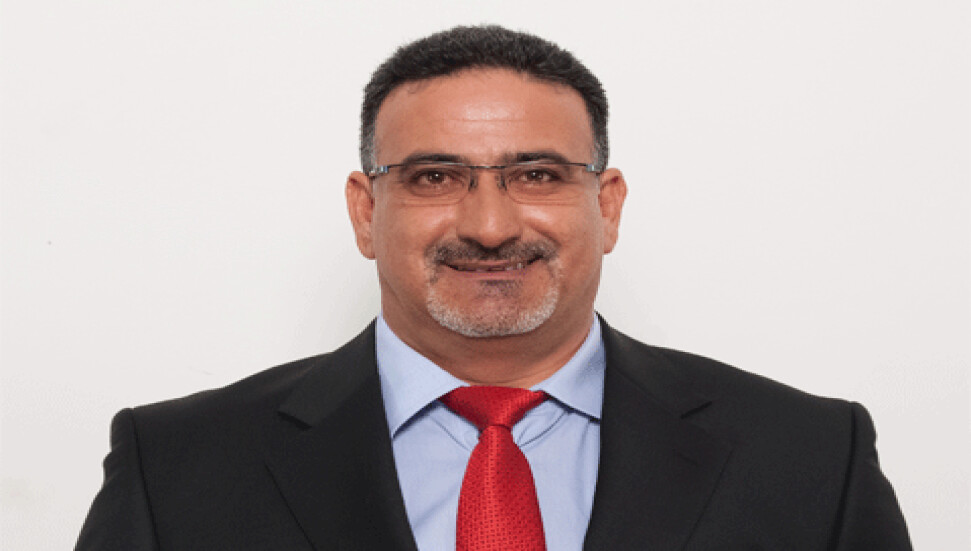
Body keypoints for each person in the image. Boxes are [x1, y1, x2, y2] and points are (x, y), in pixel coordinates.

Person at [75, 25, 912, 550]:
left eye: (536, 173)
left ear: (606, 206)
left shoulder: (807, 457)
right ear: (366, 212)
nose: (487, 224)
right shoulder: (178, 466)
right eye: (434, 176)